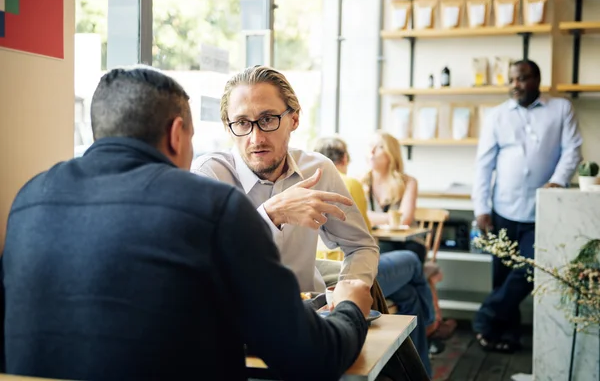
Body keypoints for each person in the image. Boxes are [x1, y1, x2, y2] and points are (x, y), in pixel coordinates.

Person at [1, 66, 374, 381]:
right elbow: (310, 359)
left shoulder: (28, 198)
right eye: (242, 123)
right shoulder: (207, 204)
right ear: (177, 134)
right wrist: (352, 309)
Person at [191, 66, 380, 295]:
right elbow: (202, 264)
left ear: (294, 119)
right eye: (242, 123)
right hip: (236, 322)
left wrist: (349, 288)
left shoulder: (318, 170)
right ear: (228, 129)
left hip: (310, 316)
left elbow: (361, 246)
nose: (256, 138)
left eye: (268, 119)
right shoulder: (209, 176)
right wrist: (271, 214)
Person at [472, 59, 583, 352]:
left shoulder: (560, 109)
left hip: (543, 211)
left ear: (537, 79)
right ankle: (505, 336)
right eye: (512, 79)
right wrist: (481, 208)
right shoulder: (497, 115)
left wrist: (558, 181)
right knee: (504, 276)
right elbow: (484, 164)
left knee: (529, 271)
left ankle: (486, 316)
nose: (515, 85)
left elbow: (572, 150)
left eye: (521, 78)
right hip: (502, 209)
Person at [314, 135, 435, 375]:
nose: (371, 153)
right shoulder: (356, 183)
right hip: (355, 270)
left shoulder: (308, 186)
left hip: (338, 269)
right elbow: (367, 228)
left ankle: (419, 357)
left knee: (410, 293)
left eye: (377, 148)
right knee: (412, 261)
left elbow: (392, 219)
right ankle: (429, 331)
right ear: (345, 158)